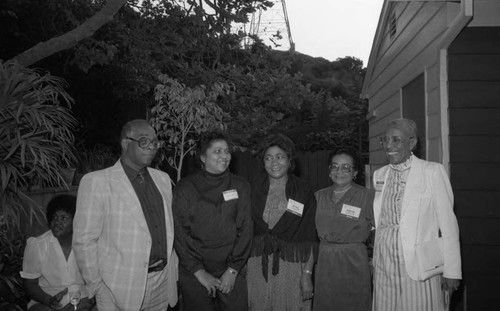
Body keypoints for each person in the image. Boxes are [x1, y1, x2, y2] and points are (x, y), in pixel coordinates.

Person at [73, 119, 178, 311]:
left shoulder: (162, 179)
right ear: (125, 143)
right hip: (118, 288)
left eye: (155, 142)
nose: (152, 147)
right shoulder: (97, 182)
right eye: (144, 141)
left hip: (162, 284)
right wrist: (97, 287)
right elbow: (84, 240)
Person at [372, 118, 461, 311]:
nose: (389, 145)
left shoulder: (432, 172)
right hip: (384, 262)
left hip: (418, 262)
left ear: (411, 143)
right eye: (385, 140)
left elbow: (448, 225)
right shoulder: (379, 175)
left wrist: (452, 270)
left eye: (396, 140)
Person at [173, 132, 252, 311]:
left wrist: (233, 269)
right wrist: (198, 271)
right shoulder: (186, 187)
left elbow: (246, 228)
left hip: (231, 269)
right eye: (217, 151)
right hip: (194, 271)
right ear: (203, 157)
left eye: (226, 151)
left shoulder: (240, 185)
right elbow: (180, 231)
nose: (224, 156)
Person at [247, 133, 317, 311]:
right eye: (268, 158)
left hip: (292, 265)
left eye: (280, 157)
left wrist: (307, 274)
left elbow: (310, 236)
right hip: (257, 265)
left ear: (289, 160)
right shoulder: (252, 188)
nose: (274, 163)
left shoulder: (303, 191)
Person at [313, 149, 375, 311]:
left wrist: (375, 262)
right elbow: (309, 237)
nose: (339, 171)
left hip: (354, 263)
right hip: (325, 263)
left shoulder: (367, 197)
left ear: (355, 172)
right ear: (329, 170)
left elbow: (381, 231)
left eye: (346, 167)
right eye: (335, 166)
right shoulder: (318, 197)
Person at [21, 194, 95, 311]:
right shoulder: (37, 245)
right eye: (54, 217)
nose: (57, 222)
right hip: (46, 301)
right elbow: (30, 284)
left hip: (83, 299)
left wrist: (91, 300)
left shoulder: (87, 244)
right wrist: (48, 300)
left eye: (63, 218)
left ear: (77, 221)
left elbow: (97, 279)